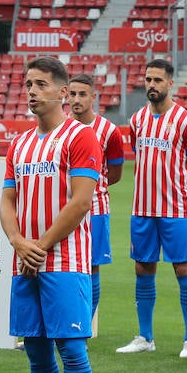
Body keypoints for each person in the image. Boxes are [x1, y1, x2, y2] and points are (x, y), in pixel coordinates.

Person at [1, 56, 104, 373]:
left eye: (41, 84)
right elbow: (7, 201)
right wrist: (16, 241)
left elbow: (81, 201)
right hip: (25, 261)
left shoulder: (80, 137)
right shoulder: (18, 143)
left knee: (73, 349)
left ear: (62, 92)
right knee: (36, 351)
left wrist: (38, 246)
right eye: (28, 84)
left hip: (66, 261)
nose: (31, 91)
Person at [117, 59, 187, 356]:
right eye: (148, 79)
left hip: (175, 209)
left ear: (170, 83)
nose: (151, 85)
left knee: (183, 268)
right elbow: (138, 156)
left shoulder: (185, 121)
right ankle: (145, 337)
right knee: (143, 267)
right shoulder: (138, 119)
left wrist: (174, 184)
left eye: (157, 80)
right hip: (142, 208)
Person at [67, 75, 124, 336]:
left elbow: (115, 172)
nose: (76, 100)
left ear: (93, 97)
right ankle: (62, 325)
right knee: (62, 267)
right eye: (73, 94)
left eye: (82, 94)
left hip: (96, 210)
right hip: (63, 209)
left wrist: (93, 190)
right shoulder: (62, 127)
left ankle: (83, 328)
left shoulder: (109, 131)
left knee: (91, 267)